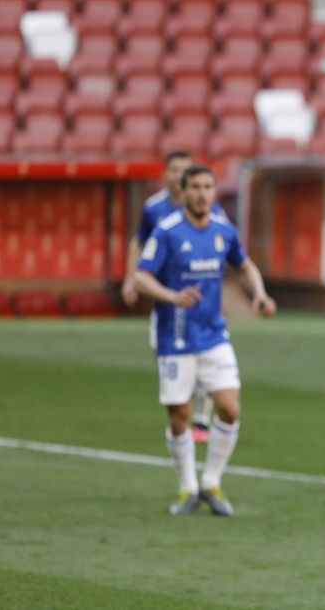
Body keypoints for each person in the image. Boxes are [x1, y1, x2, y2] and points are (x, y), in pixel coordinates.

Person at [135, 165, 276, 517]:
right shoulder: (167, 232)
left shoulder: (223, 231)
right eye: (195, 187)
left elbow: (245, 266)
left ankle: (211, 481)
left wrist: (259, 294)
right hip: (175, 336)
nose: (201, 193)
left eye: (207, 187)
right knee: (180, 416)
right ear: (183, 192)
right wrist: (170, 295)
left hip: (214, 335)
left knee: (229, 407)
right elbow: (141, 276)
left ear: (214, 192)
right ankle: (187, 488)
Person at [122, 149, 226, 443]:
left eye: (185, 170)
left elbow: (225, 243)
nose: (179, 175)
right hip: (167, 298)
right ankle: (180, 406)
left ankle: (202, 419)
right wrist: (131, 278)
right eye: (175, 170)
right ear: (166, 174)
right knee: (164, 353)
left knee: (208, 354)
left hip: (203, 300)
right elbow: (138, 243)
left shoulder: (212, 209)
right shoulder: (154, 209)